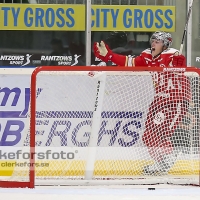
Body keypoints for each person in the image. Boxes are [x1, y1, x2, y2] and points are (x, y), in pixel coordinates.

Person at [93, 31, 192, 175]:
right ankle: (161, 162)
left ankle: (168, 157)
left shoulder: (172, 55)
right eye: (153, 41)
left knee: (161, 133)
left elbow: (181, 67)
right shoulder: (147, 56)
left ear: (165, 45)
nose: (153, 43)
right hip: (159, 100)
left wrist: (180, 63)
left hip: (175, 99)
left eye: (157, 41)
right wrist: (110, 56)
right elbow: (130, 63)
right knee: (148, 135)